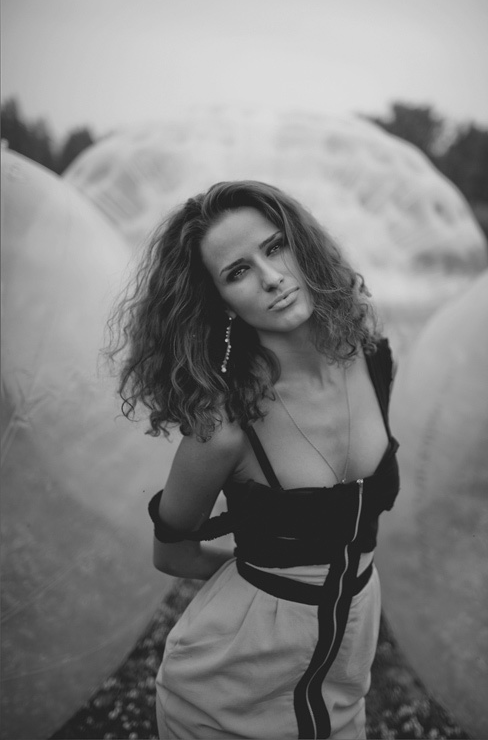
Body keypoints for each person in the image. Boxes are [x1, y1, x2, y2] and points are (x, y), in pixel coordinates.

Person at [107, 180, 400, 740]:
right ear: (221, 301)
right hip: (228, 694)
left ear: (302, 246)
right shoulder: (223, 426)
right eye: (238, 271)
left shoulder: (373, 360)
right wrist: (269, 579)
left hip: (344, 680)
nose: (270, 277)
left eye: (275, 247)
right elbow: (172, 554)